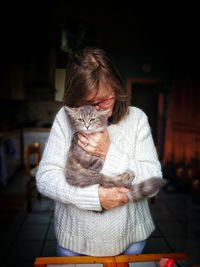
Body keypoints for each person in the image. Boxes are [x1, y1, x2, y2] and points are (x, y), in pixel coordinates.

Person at [36, 47, 163, 257]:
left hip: (130, 237)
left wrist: (107, 152)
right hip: (75, 240)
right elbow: (46, 178)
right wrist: (95, 197)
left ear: (116, 89)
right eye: (86, 103)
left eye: (103, 100)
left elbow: (154, 183)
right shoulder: (65, 117)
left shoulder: (137, 119)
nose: (95, 111)